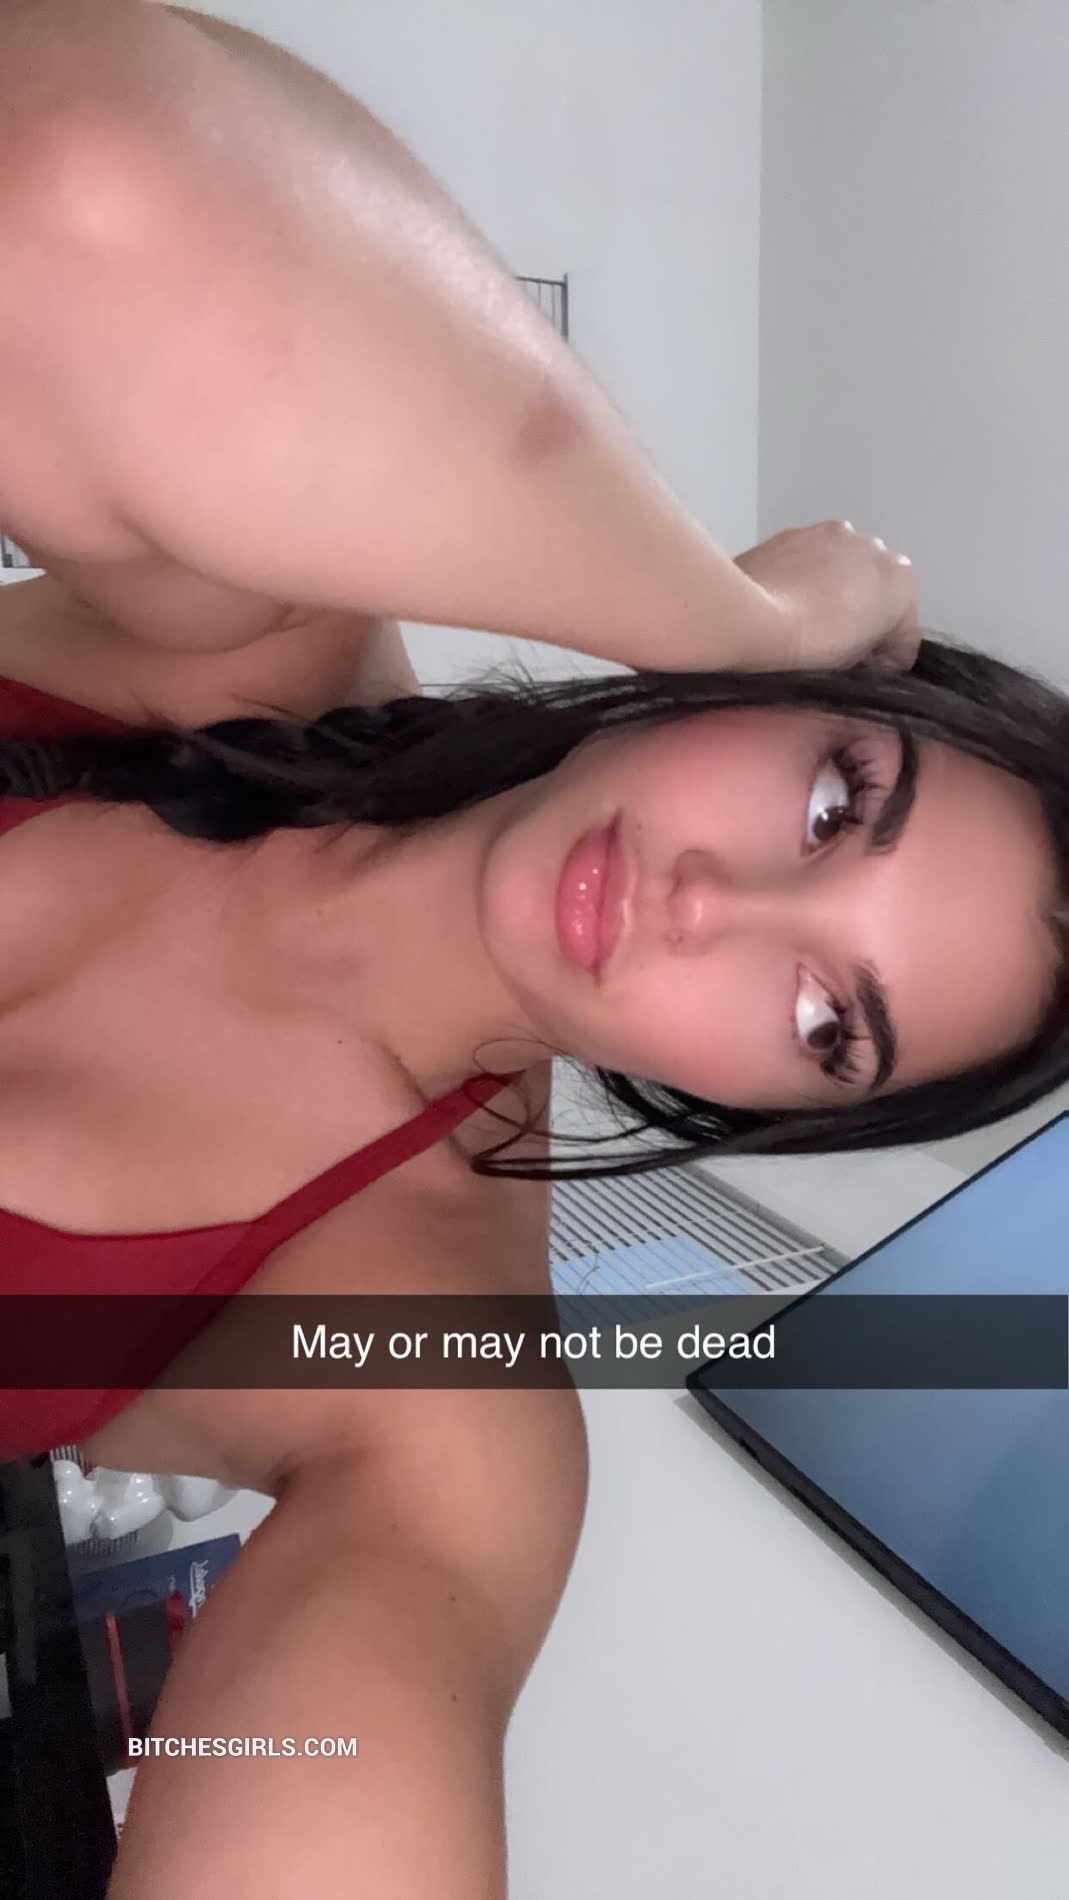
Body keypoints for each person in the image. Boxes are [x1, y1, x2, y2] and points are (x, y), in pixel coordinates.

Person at [2, 6, 1067, 1895]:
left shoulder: (432, 1373)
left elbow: (324, 1756)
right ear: (780, 693)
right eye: (835, 799)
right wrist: (733, 616)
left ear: (773, 1105)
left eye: (825, 1017)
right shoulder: (256, 629)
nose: (712, 908)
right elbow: (78, 165)